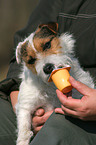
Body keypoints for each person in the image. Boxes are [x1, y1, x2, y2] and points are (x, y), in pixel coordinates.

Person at [0, 0, 96, 144]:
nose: (44, 63)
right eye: (33, 61)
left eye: (46, 46)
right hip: (37, 93)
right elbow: (23, 45)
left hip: (86, 111)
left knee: (54, 133)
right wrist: (19, 97)